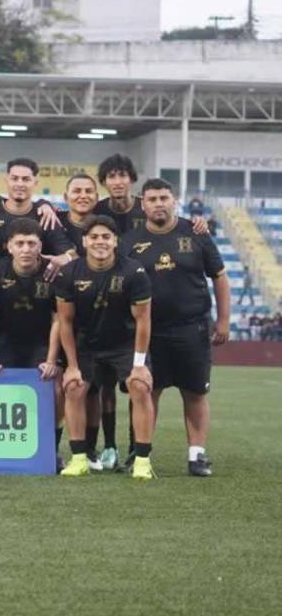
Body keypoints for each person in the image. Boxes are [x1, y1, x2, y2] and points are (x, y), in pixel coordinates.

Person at [122, 178, 231, 476]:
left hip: (192, 329)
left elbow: (220, 277)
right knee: (147, 391)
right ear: (143, 204)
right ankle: (140, 454)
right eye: (152, 199)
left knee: (194, 392)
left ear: (174, 201)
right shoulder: (129, 242)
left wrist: (223, 320)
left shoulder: (196, 233)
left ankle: (197, 455)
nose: (159, 203)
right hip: (149, 332)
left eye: (164, 198)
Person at [56, 215, 156, 480]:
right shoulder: (69, 273)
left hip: (125, 343)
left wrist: (138, 365)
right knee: (73, 387)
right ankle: (80, 459)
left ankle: (142, 461)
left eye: (106, 237)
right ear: (84, 241)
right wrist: (72, 366)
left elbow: (143, 320)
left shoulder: (133, 271)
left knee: (140, 386)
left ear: (115, 241)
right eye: (94, 237)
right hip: (87, 343)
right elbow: (65, 322)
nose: (100, 242)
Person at [0, 217, 64, 460]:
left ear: (40, 246)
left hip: (42, 341)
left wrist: (51, 360)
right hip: (6, 340)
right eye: (20, 243)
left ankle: (52, 449)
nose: (26, 249)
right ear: (9, 246)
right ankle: (2, 447)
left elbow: (58, 320)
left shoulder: (53, 272)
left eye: (31, 243)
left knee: (56, 387)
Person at [0, 159, 72, 272]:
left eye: (26, 179)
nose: (20, 184)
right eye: (14, 178)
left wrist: (66, 258)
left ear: (35, 182)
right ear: (6, 180)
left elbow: (70, 253)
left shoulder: (46, 216)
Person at [94, 154, 146, 234]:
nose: (117, 182)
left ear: (131, 179)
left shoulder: (146, 208)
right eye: (111, 176)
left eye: (122, 175)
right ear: (104, 182)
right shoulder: (96, 211)